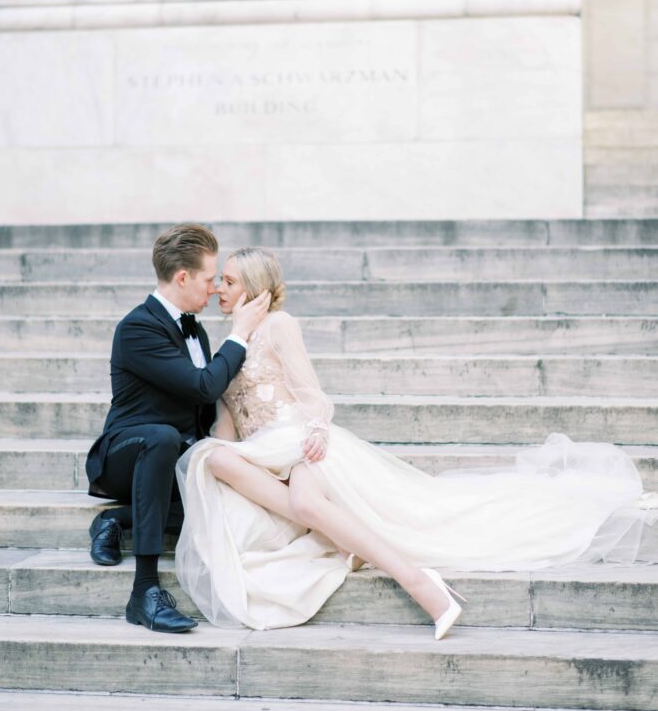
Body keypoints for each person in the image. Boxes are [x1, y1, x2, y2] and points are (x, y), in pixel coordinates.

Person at [175, 247, 658, 638]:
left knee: (302, 495)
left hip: (302, 445)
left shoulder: (280, 325)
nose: (219, 288)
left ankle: (422, 584)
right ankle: (340, 535)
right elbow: (227, 429)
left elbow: (312, 396)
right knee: (212, 458)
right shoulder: (230, 347)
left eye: (230, 281)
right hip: (264, 458)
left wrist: (316, 433)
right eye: (219, 282)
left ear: (256, 288)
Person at [85, 224, 270, 633]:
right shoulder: (137, 328)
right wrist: (239, 335)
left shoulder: (196, 329)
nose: (214, 288)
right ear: (182, 277)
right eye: (209, 280)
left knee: (227, 498)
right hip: (127, 453)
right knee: (162, 437)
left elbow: (205, 405)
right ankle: (144, 592)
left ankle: (119, 520)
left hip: (173, 458)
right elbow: (203, 384)